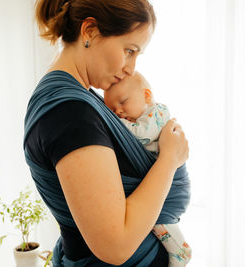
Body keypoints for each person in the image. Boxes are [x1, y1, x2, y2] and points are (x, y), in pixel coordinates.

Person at [23, 0, 190, 266]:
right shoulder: (70, 112)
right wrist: (169, 160)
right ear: (89, 31)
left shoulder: (77, 100)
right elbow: (116, 245)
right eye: (129, 50)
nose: (131, 68)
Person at [104, 71, 192, 266]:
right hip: (161, 178)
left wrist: (111, 123)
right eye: (111, 109)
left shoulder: (157, 113)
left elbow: (141, 136)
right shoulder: (136, 118)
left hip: (173, 186)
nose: (118, 111)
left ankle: (181, 251)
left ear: (146, 96)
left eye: (123, 101)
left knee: (157, 222)